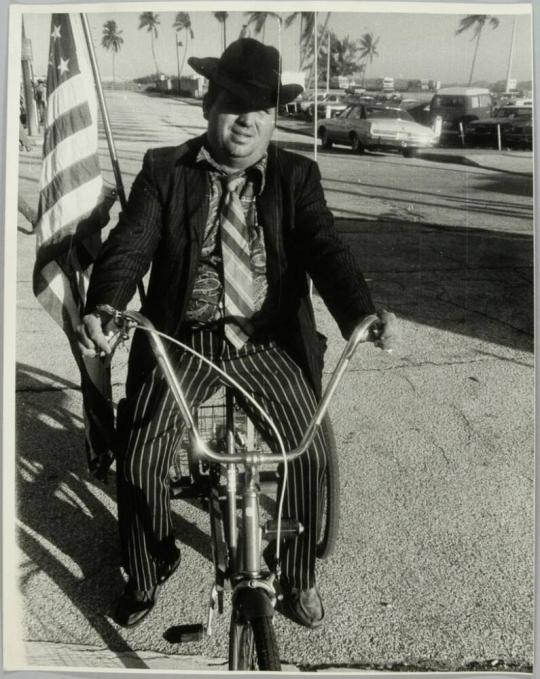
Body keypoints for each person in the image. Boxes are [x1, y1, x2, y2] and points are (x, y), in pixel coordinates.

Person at [76, 38, 398, 629]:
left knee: (304, 451)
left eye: (262, 107)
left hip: (268, 339)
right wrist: (104, 306)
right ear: (209, 106)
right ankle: (151, 566)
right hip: (184, 338)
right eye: (234, 103)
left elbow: (325, 248)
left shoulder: (297, 177)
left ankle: (296, 577)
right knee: (143, 453)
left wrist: (361, 313)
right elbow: (130, 247)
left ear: (275, 117)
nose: (247, 120)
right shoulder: (165, 170)